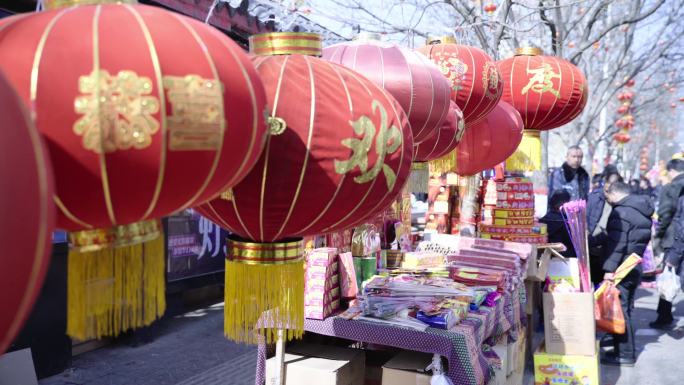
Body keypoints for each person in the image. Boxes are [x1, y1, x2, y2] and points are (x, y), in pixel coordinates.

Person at [593, 181, 654, 366]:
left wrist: (608, 270)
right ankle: (621, 348)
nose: (608, 201)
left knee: (621, 311)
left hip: (621, 267)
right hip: (634, 266)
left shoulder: (621, 212)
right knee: (625, 309)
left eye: (608, 197)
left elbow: (617, 245)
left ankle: (625, 354)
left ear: (614, 194)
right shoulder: (641, 209)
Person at [651, 158, 684, 329]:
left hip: (673, 237)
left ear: (671, 171)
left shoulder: (670, 188)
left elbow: (665, 215)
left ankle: (664, 315)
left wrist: (659, 235)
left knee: (668, 276)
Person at [587, 166, 622, 285]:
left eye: (616, 184)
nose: (612, 187)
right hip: (591, 247)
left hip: (607, 250)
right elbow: (586, 219)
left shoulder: (619, 201)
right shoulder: (594, 197)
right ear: (605, 183)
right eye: (610, 183)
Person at [540, 190, 575, 258]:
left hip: (546, 260)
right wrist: (599, 238)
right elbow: (578, 242)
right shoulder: (567, 224)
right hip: (566, 262)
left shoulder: (543, 220)